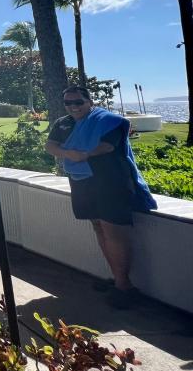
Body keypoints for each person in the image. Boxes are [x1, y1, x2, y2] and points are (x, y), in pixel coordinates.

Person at [44, 86, 157, 309]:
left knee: (113, 229)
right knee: (98, 226)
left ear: (89, 101)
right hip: (81, 182)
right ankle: (118, 279)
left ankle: (125, 286)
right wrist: (69, 154)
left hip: (109, 182)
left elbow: (107, 146)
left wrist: (82, 154)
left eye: (78, 102)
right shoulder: (63, 123)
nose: (73, 107)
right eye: (68, 103)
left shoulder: (108, 120)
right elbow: (50, 145)